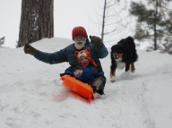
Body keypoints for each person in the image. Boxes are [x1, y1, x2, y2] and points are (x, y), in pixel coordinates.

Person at [24, 26, 108, 94]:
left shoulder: (92, 46)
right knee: (75, 70)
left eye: (82, 37)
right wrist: (35, 53)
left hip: (95, 74)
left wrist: (100, 45)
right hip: (79, 74)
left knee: (101, 79)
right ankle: (72, 80)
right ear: (74, 39)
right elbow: (51, 58)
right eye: (77, 37)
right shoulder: (69, 50)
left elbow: (104, 54)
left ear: (85, 38)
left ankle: (94, 87)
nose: (79, 40)